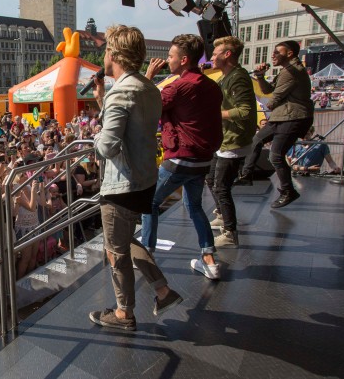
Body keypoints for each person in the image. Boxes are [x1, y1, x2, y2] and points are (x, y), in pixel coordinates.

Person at [87, 25, 182, 331]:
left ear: (113, 54)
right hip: (144, 180)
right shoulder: (149, 88)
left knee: (116, 251)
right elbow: (129, 127)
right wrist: (104, 102)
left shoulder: (121, 93)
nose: (103, 56)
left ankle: (123, 313)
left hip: (121, 185)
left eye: (105, 51)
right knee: (127, 240)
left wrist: (96, 136)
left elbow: (108, 145)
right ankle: (163, 291)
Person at [141, 34, 223, 280]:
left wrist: (148, 76)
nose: (167, 60)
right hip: (203, 159)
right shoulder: (211, 85)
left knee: (149, 203)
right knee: (195, 206)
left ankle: (146, 255)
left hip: (180, 159)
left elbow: (146, 103)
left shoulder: (177, 87)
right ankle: (209, 259)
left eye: (170, 56)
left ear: (184, 59)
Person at [236, 40, 314, 208]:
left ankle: (288, 191)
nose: (273, 55)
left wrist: (246, 107)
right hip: (282, 116)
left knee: (275, 155)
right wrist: (259, 76)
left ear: (290, 53)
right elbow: (267, 90)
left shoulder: (292, 71)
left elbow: (273, 98)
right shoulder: (286, 70)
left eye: (278, 52)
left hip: (293, 117)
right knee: (255, 141)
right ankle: (246, 176)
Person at [204, 36, 257, 247]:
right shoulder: (225, 77)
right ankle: (221, 215)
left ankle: (230, 233)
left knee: (221, 188)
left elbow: (245, 111)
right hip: (224, 140)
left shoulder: (238, 77)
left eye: (215, 54)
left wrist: (216, 114)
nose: (211, 57)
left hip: (233, 142)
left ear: (227, 55)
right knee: (210, 180)